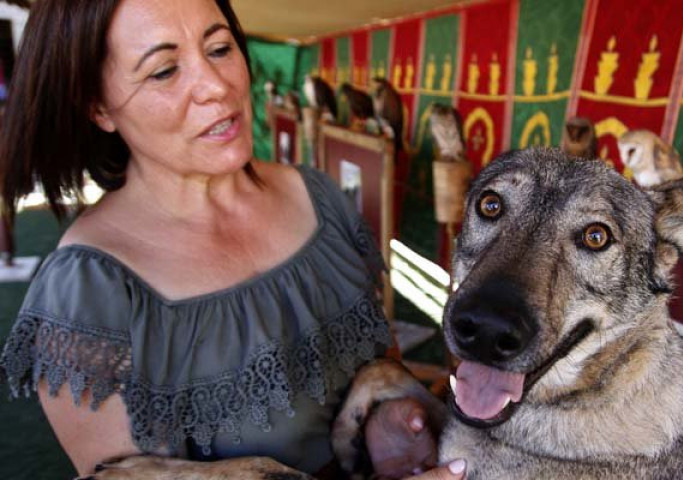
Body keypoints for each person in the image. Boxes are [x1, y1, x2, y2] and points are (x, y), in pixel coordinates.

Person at [0, 1, 462, 479]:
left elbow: (378, 359)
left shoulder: (320, 199)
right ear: (98, 106)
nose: (217, 86)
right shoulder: (88, 290)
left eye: (220, 48)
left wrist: (386, 411)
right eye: (163, 72)